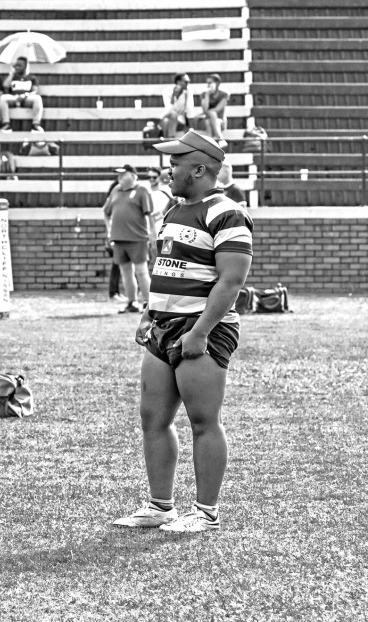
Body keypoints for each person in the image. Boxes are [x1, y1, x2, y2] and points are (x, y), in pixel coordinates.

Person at [113, 129, 253, 533]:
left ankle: (206, 513)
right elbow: (164, 269)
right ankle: (161, 507)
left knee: (203, 421)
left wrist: (201, 332)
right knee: (153, 418)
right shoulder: (174, 211)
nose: (168, 170)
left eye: (175, 164)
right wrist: (148, 313)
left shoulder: (227, 213)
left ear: (199, 169)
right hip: (163, 327)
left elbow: (231, 281)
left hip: (202, 330)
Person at [103, 164, 155, 314]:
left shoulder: (142, 190)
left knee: (141, 271)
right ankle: (131, 302)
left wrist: (152, 235)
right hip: (119, 238)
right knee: (125, 272)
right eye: (118, 174)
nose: (119, 177)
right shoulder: (116, 190)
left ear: (133, 175)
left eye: (123, 174)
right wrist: (109, 231)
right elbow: (106, 212)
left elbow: (149, 215)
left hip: (138, 238)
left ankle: (149, 304)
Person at [0, 59, 43, 131]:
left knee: (38, 98)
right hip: (14, 98)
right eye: (16, 65)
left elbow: (35, 91)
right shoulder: (13, 77)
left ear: (25, 67)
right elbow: (5, 85)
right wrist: (12, 74)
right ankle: (6, 124)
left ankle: (36, 125)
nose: (17, 67)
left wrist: (25, 95)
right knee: (3, 98)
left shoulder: (32, 78)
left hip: (27, 99)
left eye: (19, 65)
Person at [198, 74, 229, 148]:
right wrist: (207, 95)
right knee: (208, 121)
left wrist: (210, 112)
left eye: (210, 83)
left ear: (217, 83)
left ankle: (210, 144)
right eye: (207, 83)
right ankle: (220, 139)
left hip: (220, 121)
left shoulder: (224, 94)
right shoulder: (204, 94)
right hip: (207, 121)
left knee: (212, 115)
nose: (208, 85)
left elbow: (217, 109)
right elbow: (205, 110)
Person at [160, 73, 193, 139]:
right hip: (169, 116)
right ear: (178, 82)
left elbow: (189, 108)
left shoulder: (188, 91)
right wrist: (174, 96)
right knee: (169, 118)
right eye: (186, 82)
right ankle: (170, 138)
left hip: (180, 119)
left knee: (171, 119)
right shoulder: (167, 91)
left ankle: (169, 138)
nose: (187, 84)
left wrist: (191, 126)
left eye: (188, 82)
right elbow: (168, 110)